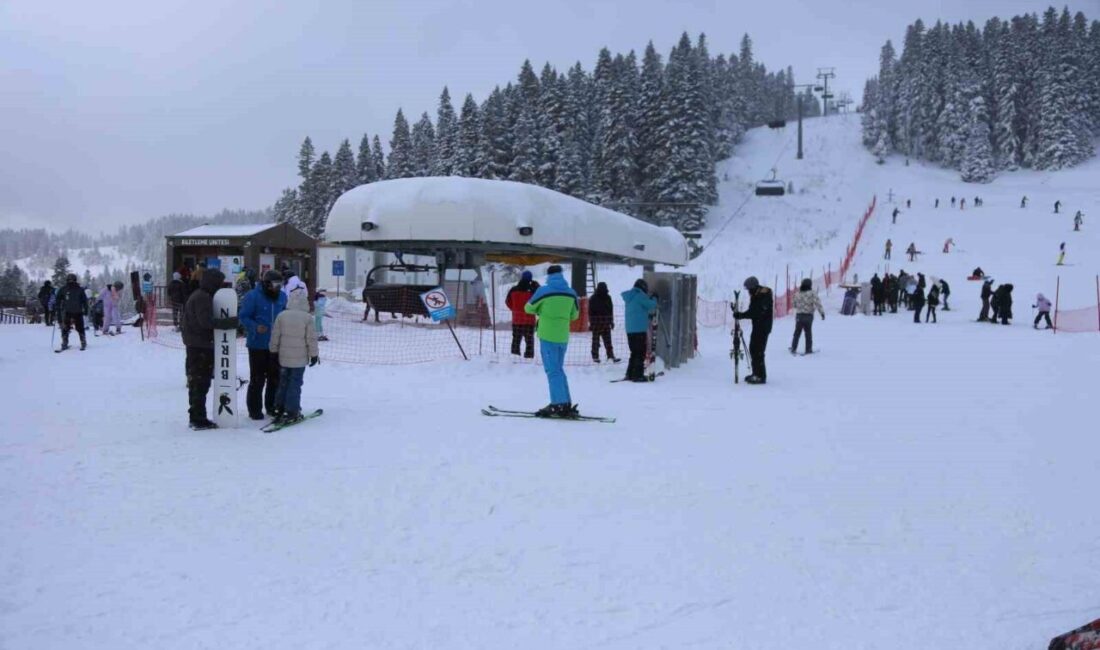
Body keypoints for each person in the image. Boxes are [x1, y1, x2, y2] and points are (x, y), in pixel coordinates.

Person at [523, 265, 580, 417]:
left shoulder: (544, 291)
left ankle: (558, 404)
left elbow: (528, 308)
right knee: (558, 369)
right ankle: (565, 401)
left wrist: (541, 310)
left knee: (552, 370)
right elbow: (574, 315)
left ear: (548, 276)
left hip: (547, 336)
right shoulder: (571, 292)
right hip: (563, 337)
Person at [181, 268, 227, 429]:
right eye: (219, 283)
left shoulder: (200, 295)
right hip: (200, 346)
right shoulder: (203, 297)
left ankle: (196, 415)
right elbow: (205, 322)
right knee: (201, 382)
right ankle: (198, 418)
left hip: (196, 344)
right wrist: (226, 323)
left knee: (197, 382)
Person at [239, 270, 288, 420]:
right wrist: (255, 326)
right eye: (275, 284)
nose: (278, 287)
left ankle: (272, 406)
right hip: (257, 345)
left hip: (276, 345)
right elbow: (243, 316)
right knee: (258, 379)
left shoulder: (282, 297)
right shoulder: (252, 296)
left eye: (280, 284)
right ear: (267, 284)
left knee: (275, 378)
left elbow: (285, 314)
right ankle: (254, 410)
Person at [269, 289, 319, 425]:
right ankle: (291, 410)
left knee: (283, 383)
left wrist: (273, 351)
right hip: (299, 359)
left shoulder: (281, 315)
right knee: (295, 384)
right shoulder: (307, 318)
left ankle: (279, 408)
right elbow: (311, 339)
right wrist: (314, 355)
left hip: (283, 358)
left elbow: (275, 336)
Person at [732, 276, 773, 385]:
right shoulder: (756, 295)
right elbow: (752, 310)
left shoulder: (764, 295)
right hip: (758, 326)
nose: (748, 292)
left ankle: (760, 376)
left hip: (763, 327)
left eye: (749, 289)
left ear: (754, 287)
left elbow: (756, 311)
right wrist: (741, 314)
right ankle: (756, 373)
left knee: (758, 351)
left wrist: (742, 315)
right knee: (753, 349)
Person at [621, 278, 658, 381]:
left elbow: (640, 309)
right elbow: (652, 305)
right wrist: (655, 298)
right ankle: (638, 375)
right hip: (639, 330)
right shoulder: (640, 296)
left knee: (634, 353)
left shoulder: (630, 297)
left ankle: (630, 373)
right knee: (640, 353)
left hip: (630, 330)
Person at [504, 271, 539, 358]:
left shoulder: (514, 289)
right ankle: (529, 357)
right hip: (529, 320)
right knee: (529, 341)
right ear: (531, 279)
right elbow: (539, 301)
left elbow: (507, 301)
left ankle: (515, 357)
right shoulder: (533, 290)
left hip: (517, 320)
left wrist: (514, 309)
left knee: (516, 340)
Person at [790, 278, 825, 354]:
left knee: (797, 332)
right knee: (808, 333)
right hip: (808, 316)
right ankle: (808, 349)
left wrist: (800, 306)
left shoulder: (797, 293)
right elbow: (817, 304)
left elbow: (794, 304)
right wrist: (822, 313)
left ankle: (793, 348)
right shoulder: (812, 293)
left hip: (799, 316)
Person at [587, 281, 618, 363]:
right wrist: (611, 321)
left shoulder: (593, 298)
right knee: (607, 341)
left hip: (597, 323)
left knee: (596, 341)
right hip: (605, 322)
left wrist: (591, 323)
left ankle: (596, 356)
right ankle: (609, 355)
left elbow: (590, 312)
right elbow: (610, 310)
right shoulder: (607, 297)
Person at [56, 274, 89, 350]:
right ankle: (66, 342)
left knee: (75, 328)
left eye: (71, 279)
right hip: (71, 311)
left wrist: (86, 309)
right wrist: (57, 306)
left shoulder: (77, 289)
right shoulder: (65, 289)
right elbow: (58, 298)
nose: (70, 281)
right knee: (68, 328)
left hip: (74, 311)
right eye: (69, 280)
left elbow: (84, 300)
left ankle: (81, 341)